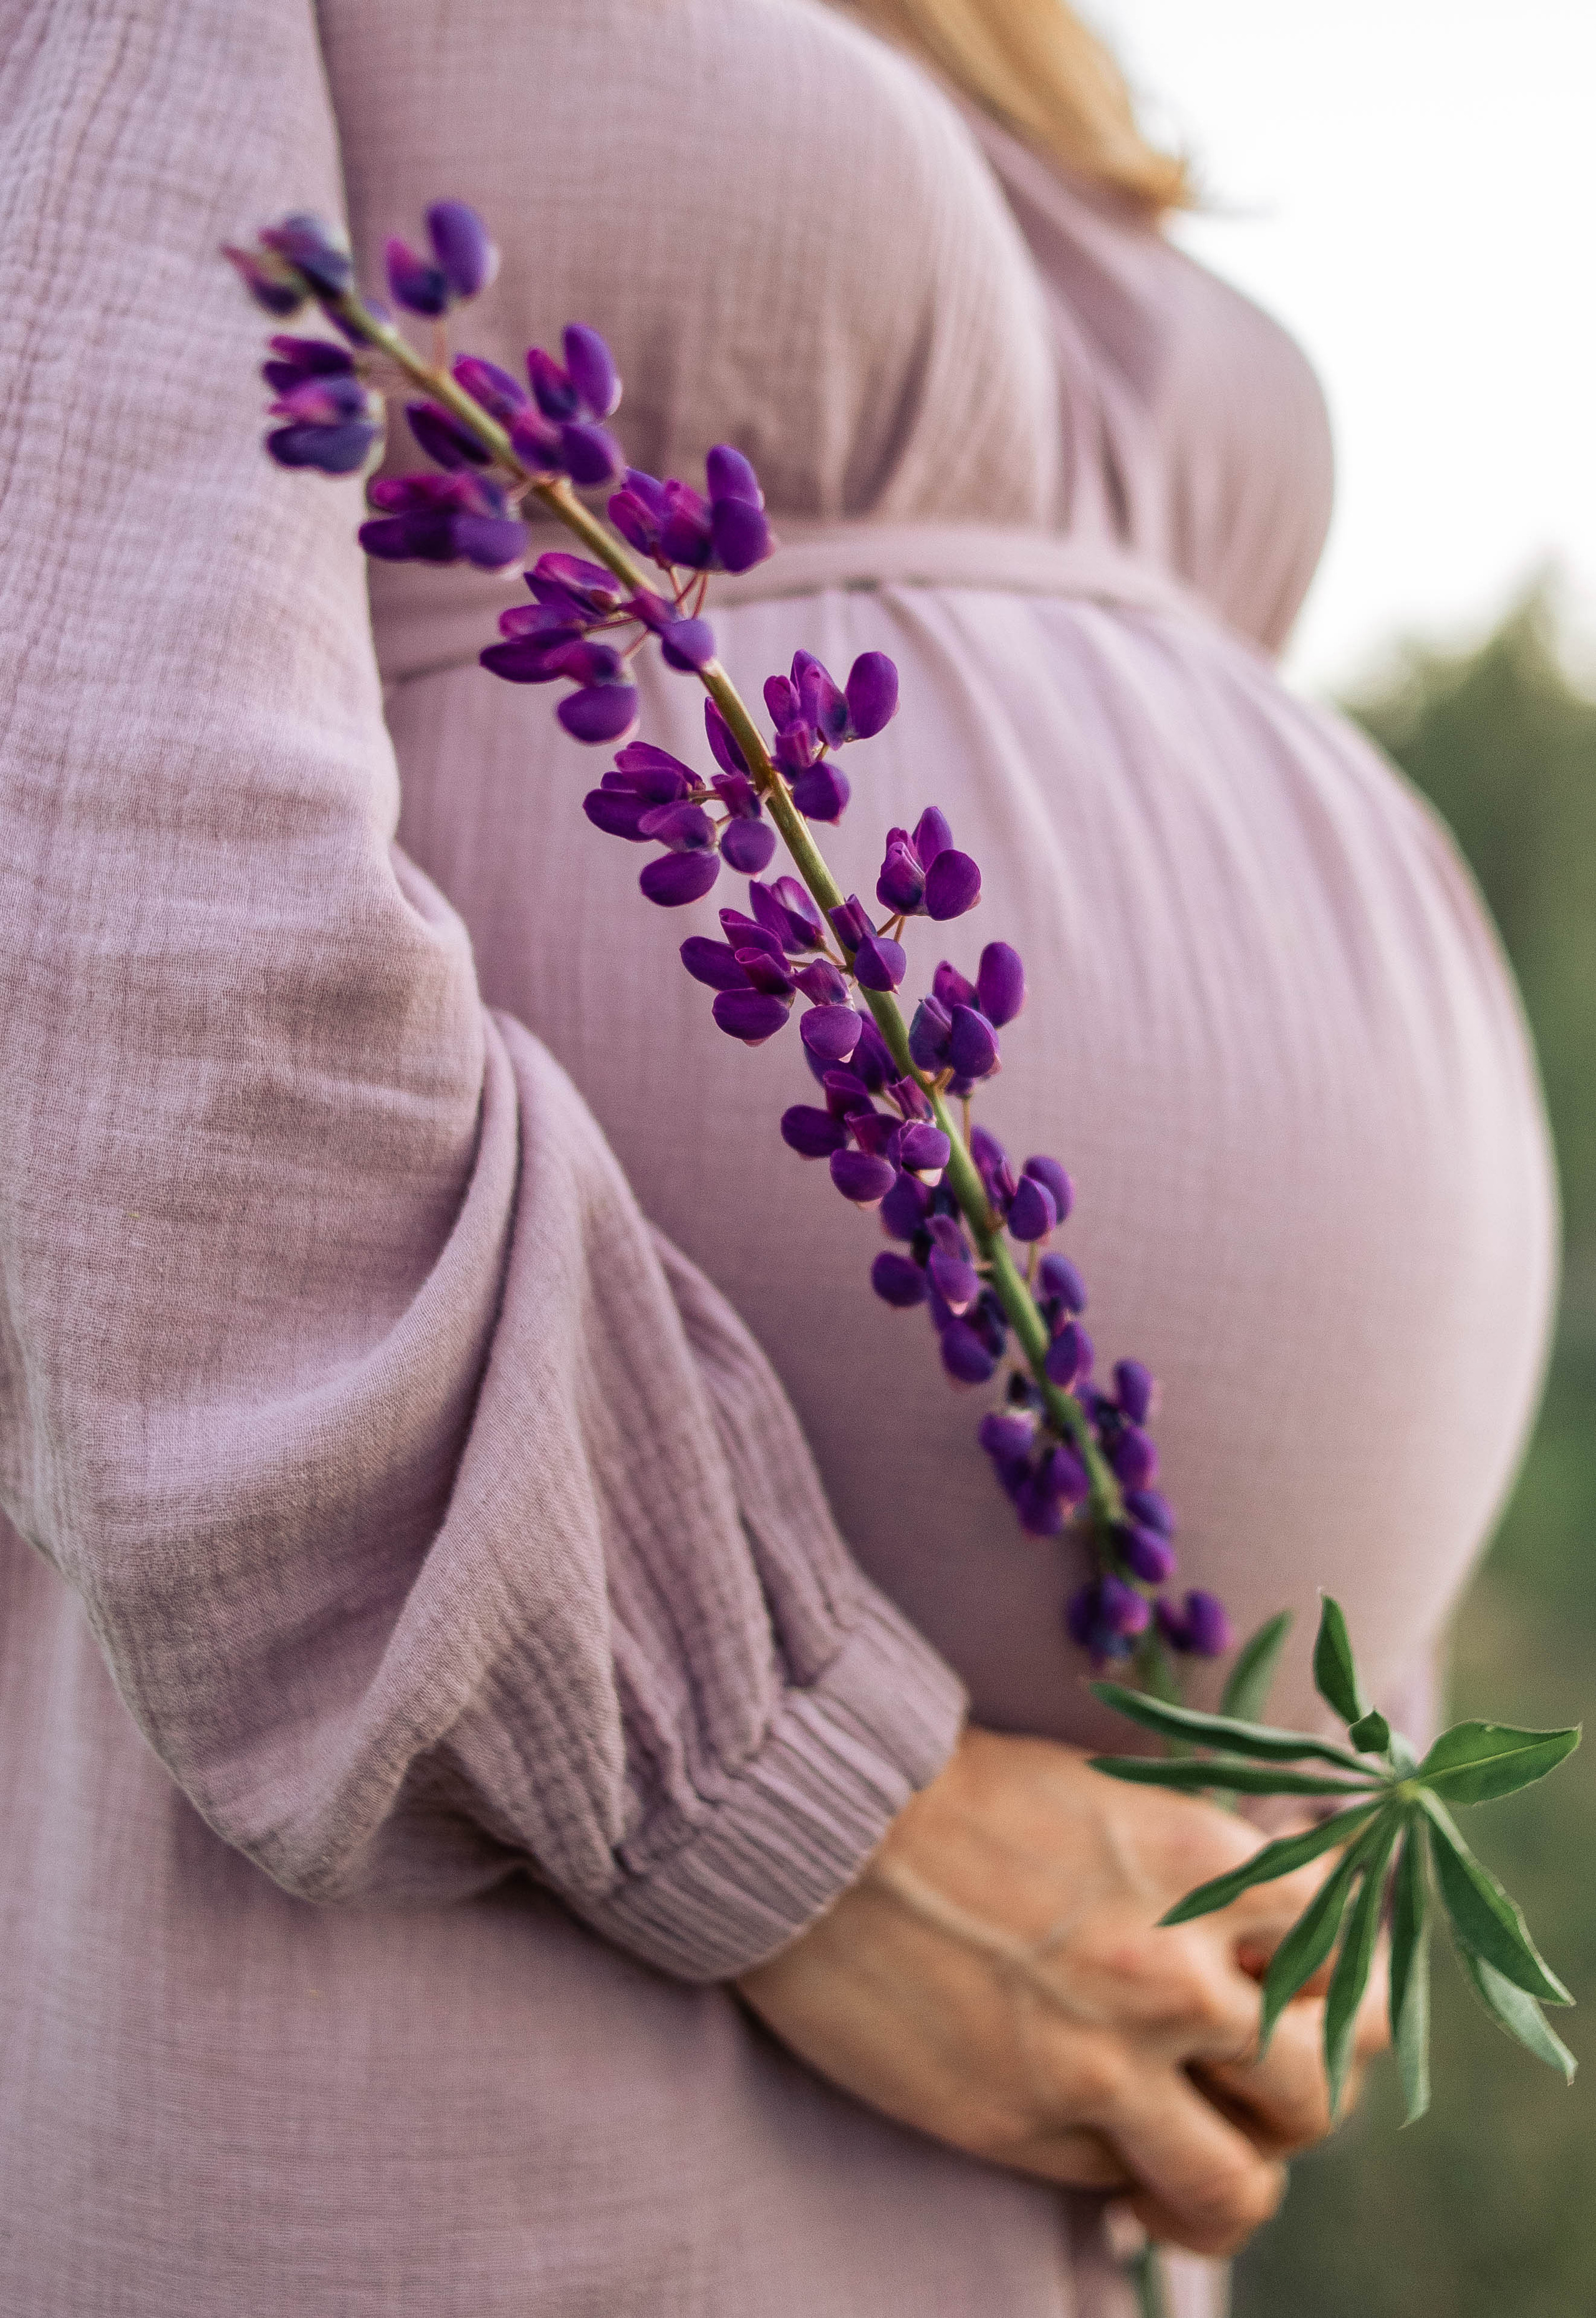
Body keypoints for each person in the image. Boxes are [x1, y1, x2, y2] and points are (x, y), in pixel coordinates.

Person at [0, 4, 1554, 2316]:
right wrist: (810, 1817)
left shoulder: (1025, 50)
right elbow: (99, 832)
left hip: (1079, 2026)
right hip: (498, 1858)